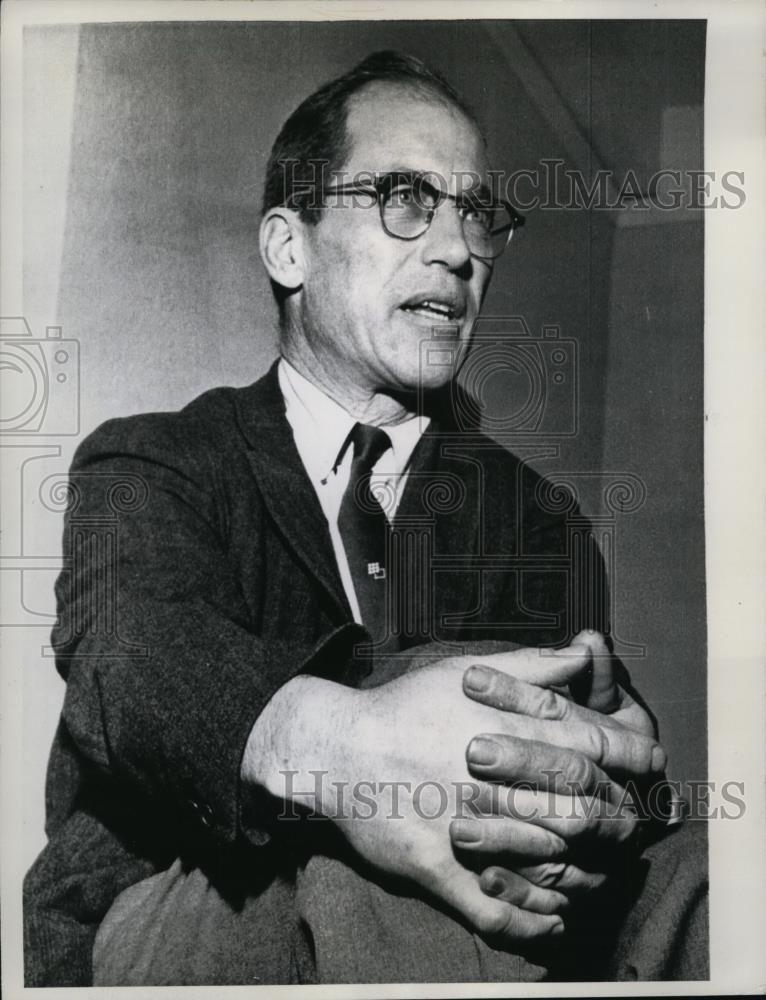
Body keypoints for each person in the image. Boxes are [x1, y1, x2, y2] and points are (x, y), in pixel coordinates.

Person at [24, 51, 707, 986]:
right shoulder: (151, 461)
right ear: (288, 247)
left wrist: (616, 773)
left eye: (476, 213)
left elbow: (595, 770)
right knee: (389, 844)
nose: (457, 249)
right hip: (189, 898)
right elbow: (133, 661)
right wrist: (355, 754)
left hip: (492, 906)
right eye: (404, 198)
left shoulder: (537, 519)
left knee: (711, 878)